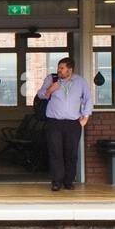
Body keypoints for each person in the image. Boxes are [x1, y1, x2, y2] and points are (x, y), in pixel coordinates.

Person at [36, 57, 93, 192]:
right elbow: (40, 95)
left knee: (71, 153)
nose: (59, 70)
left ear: (70, 69)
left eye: (62, 68)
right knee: (56, 152)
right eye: (58, 68)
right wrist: (50, 89)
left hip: (73, 123)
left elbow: (88, 99)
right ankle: (57, 182)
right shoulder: (52, 79)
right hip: (54, 123)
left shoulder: (80, 82)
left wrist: (86, 117)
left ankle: (68, 181)